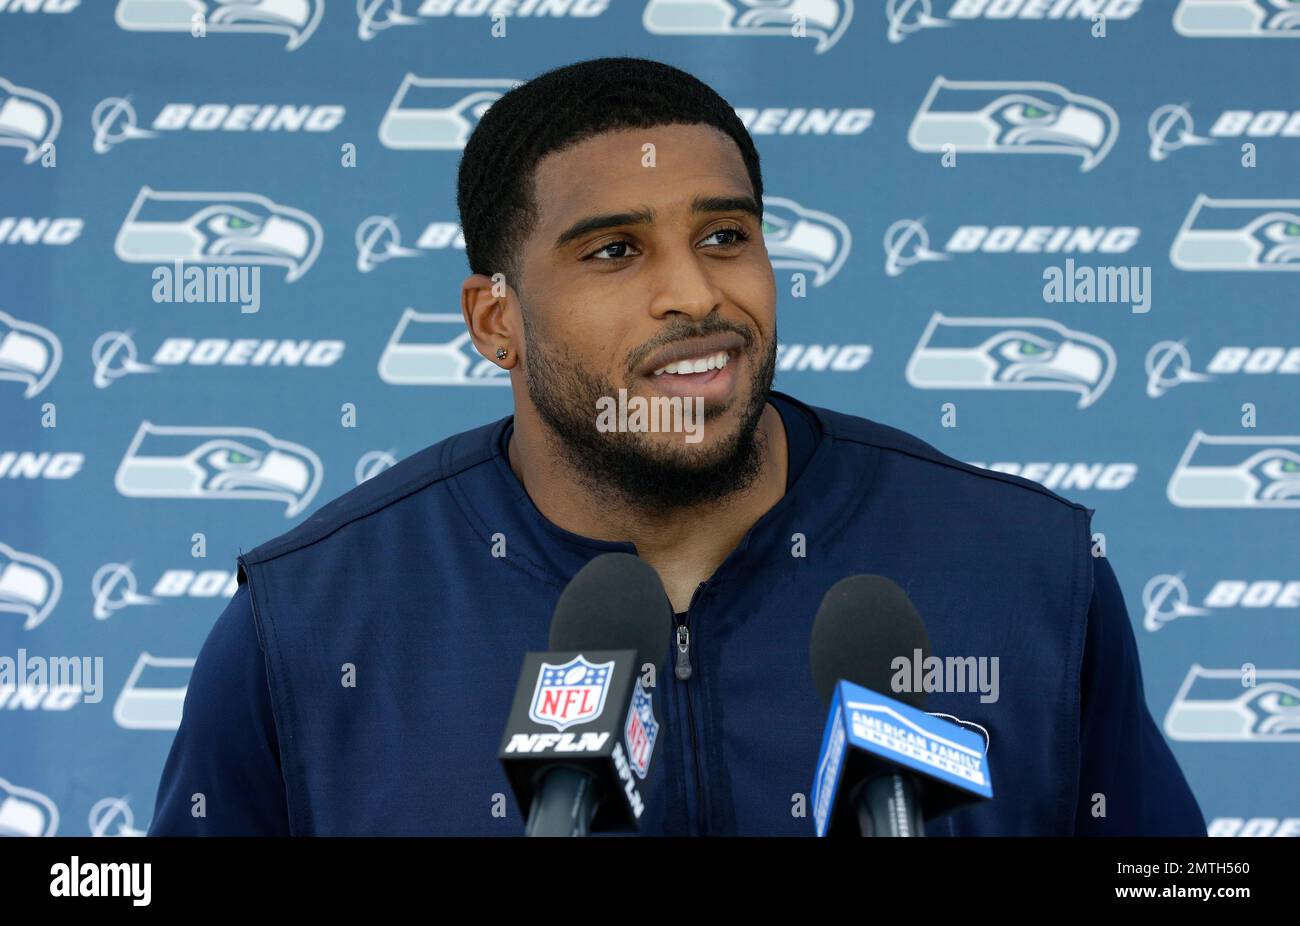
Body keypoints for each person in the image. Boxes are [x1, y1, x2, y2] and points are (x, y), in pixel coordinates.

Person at [148, 56, 1205, 836]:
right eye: (614, 250)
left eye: (724, 236)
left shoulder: (1021, 566)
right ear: (494, 321)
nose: (695, 292)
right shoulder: (309, 620)